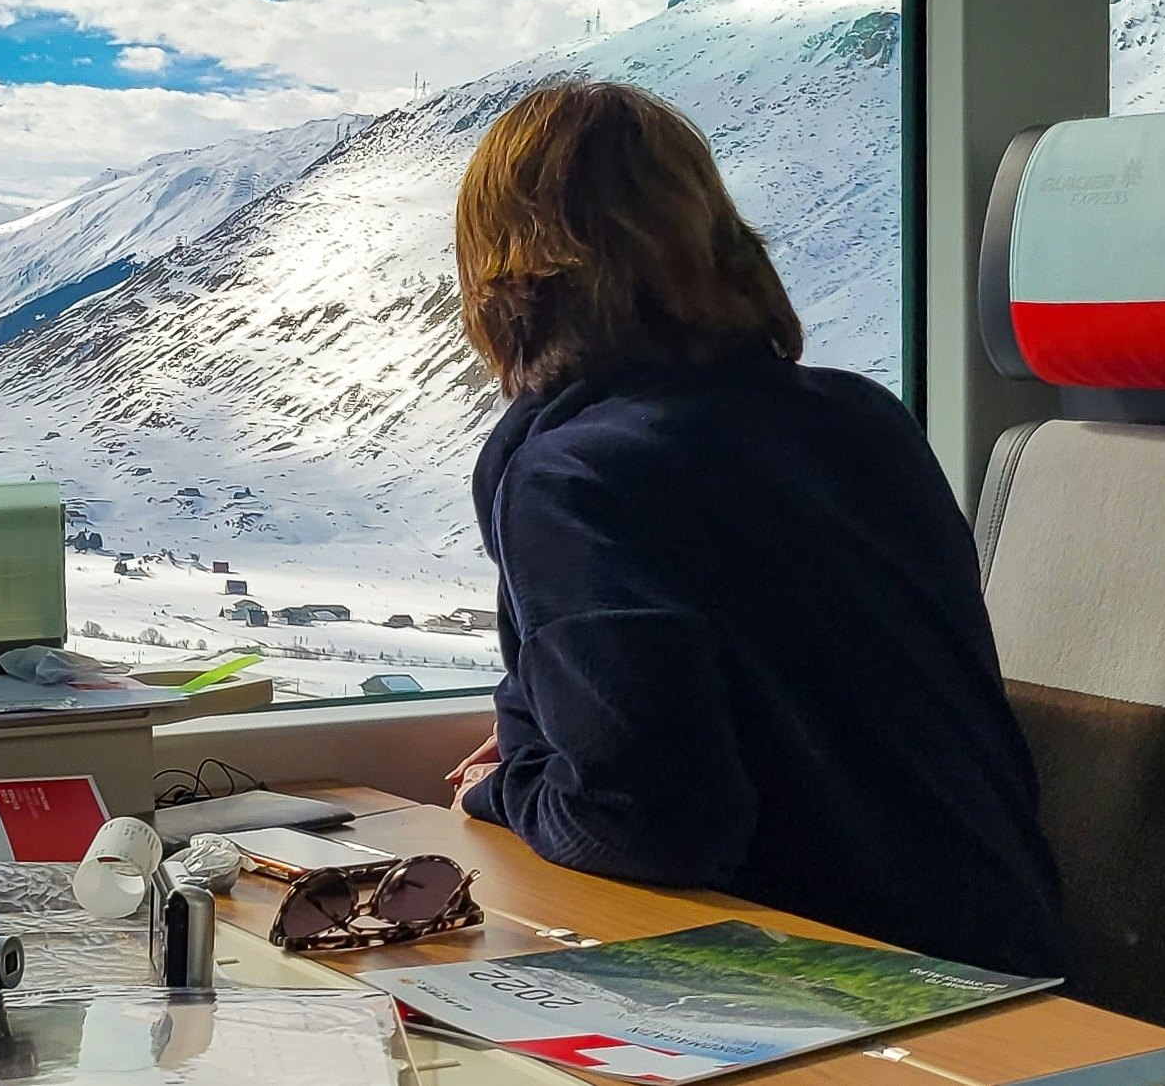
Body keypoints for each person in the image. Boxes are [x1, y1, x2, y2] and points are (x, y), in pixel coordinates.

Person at [438, 80, 1064, 978]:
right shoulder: (863, 419)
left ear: (505, 280)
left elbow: (651, 823)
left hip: (844, 998)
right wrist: (549, 733)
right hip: (1017, 968)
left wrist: (507, 790)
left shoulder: (577, 480)